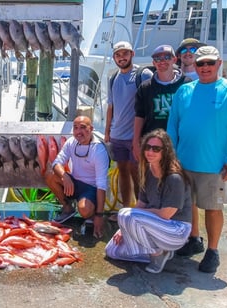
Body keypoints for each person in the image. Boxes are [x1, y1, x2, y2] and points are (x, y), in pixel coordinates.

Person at [167, 45, 227, 273]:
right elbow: (172, 125)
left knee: (212, 208)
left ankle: (213, 251)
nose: (205, 67)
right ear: (194, 65)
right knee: (188, 204)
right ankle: (194, 240)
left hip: (214, 165)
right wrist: (170, 156)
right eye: (200, 63)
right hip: (182, 161)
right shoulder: (184, 91)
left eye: (210, 63)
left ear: (219, 63)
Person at [105, 129, 192, 274]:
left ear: (166, 151)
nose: (150, 152)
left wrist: (132, 216)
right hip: (155, 226)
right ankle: (157, 251)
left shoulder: (174, 177)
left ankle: (158, 253)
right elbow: (140, 205)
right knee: (112, 251)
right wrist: (123, 229)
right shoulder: (147, 170)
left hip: (176, 230)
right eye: (147, 147)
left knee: (126, 214)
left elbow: (165, 214)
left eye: (156, 148)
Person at [105, 41, 153, 210]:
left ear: (132, 54)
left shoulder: (143, 74)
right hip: (117, 136)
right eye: (118, 55)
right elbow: (110, 108)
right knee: (123, 173)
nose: (121, 57)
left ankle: (142, 210)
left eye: (125, 54)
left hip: (136, 137)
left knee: (137, 173)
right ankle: (126, 209)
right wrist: (107, 134)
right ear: (114, 58)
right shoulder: (112, 78)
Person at [45, 115, 110, 238]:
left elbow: (101, 185)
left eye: (83, 128)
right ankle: (67, 208)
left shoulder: (99, 150)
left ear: (91, 129)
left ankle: (91, 212)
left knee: (84, 210)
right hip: (74, 183)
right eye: (75, 128)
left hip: (91, 188)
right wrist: (65, 176)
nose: (78, 132)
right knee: (50, 176)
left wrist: (99, 215)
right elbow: (56, 163)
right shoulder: (71, 142)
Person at [132, 44, 191, 161]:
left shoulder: (187, 84)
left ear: (174, 59)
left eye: (167, 57)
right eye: (158, 58)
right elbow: (140, 115)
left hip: (179, 146)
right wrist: (135, 142)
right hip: (152, 146)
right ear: (154, 63)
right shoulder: (145, 87)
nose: (162, 61)